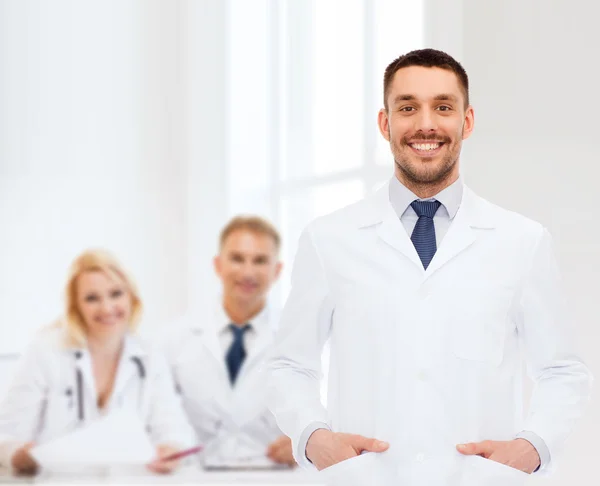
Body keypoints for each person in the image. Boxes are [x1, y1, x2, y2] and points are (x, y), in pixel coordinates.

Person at [267, 49, 593, 485]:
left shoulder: (522, 241)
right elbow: (290, 365)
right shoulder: (330, 239)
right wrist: (313, 438)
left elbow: (562, 372)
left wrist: (533, 447)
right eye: (407, 108)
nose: (426, 124)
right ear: (385, 123)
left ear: (467, 121)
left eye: (443, 107)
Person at [0, 249, 196, 475]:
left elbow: (174, 427)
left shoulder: (150, 356)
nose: (107, 307)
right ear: (76, 307)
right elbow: (6, 435)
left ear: (131, 297)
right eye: (92, 298)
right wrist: (20, 455)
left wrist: (171, 448)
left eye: (116, 294)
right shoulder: (45, 352)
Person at [165, 216, 295, 468]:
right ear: (218, 265)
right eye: (237, 258)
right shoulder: (174, 339)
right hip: (195, 477)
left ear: (277, 270)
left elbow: (332, 409)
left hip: (273, 476)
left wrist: (309, 439)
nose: (247, 272)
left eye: (260, 260)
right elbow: (156, 416)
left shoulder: (298, 338)